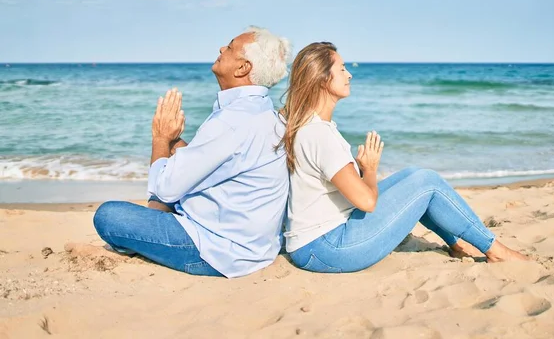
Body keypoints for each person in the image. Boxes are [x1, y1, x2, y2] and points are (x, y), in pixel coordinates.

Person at [279, 42, 529, 273]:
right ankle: (495, 250)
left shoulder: (312, 126)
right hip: (328, 248)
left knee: (413, 175)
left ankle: (457, 244)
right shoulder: (320, 135)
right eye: (342, 69)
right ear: (323, 79)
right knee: (427, 182)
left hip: (314, 243)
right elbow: (367, 202)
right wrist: (370, 169)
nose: (349, 75)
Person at [93, 27, 292, 278]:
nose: (221, 49)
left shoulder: (231, 121)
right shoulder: (262, 111)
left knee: (109, 215)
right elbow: (214, 163)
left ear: (243, 68)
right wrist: (175, 140)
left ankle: (144, 240)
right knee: (176, 167)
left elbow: (163, 189)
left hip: (220, 251)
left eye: (229, 47)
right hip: (255, 247)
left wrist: (160, 138)